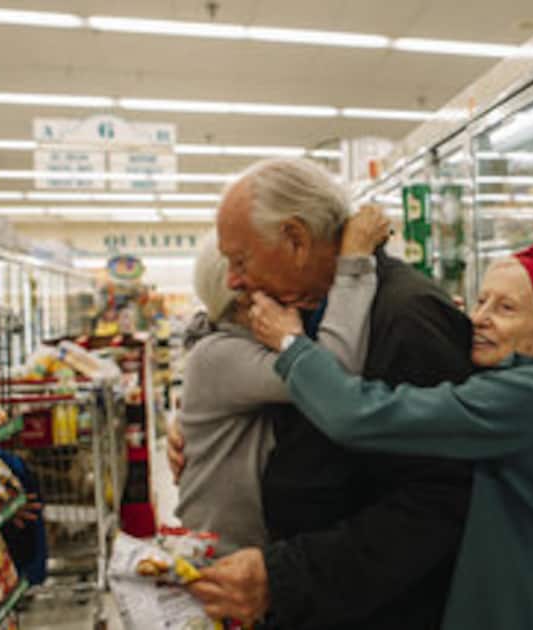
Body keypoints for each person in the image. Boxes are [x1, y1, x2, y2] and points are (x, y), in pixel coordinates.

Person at [169, 157, 475, 629]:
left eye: (240, 260)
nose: (231, 280)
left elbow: (437, 504)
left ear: (295, 239)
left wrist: (284, 577)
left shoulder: (406, 317)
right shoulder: (309, 307)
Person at [246, 245, 533, 630]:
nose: (480, 319)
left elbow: (359, 416)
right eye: (481, 302)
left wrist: (292, 345)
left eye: (506, 309)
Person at [173, 207, 387, 552]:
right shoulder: (221, 354)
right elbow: (330, 376)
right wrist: (353, 265)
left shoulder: (226, 347)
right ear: (244, 296)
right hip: (225, 560)